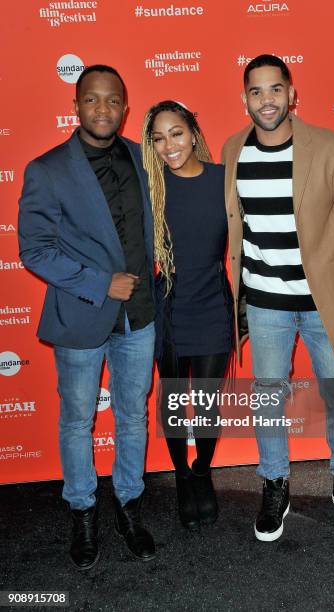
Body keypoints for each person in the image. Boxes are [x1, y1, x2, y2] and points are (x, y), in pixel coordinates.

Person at [222, 54, 334, 541]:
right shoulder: (232, 150)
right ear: (244, 98)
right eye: (256, 91)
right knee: (268, 396)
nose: (266, 100)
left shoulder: (328, 146)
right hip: (265, 301)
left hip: (326, 301)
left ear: (292, 94)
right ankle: (274, 482)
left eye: (275, 89)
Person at [18, 65, 156, 569]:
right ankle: (82, 509)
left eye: (113, 100)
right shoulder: (48, 168)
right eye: (92, 100)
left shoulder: (145, 160)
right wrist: (101, 283)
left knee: (133, 416)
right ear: (76, 106)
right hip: (81, 316)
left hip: (140, 317)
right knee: (78, 420)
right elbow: (34, 249)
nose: (103, 109)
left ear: (125, 105)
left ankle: (129, 504)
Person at [141, 100, 233, 530]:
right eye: (158, 138)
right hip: (172, 305)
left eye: (176, 133)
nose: (168, 145)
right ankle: (181, 477)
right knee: (175, 401)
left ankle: (202, 472)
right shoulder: (151, 186)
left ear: (193, 132)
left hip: (214, 301)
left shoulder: (223, 179)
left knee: (210, 404)